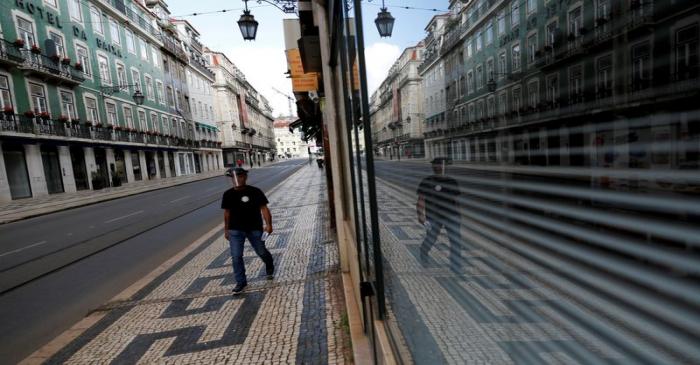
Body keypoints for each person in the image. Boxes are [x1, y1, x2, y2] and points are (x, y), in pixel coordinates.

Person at [221, 167, 274, 294]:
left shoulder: (255, 192)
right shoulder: (227, 194)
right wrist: (226, 229)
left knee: (261, 252)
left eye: (239, 176)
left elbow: (264, 208)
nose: (236, 179)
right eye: (233, 177)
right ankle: (241, 282)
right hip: (235, 230)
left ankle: (269, 263)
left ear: (245, 177)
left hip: (254, 228)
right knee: (236, 256)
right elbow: (227, 213)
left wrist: (269, 225)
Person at [416, 157, 462, 270]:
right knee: (431, 238)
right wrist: (420, 215)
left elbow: (456, 200)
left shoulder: (452, 181)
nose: (437, 167)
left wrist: (459, 216)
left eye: (439, 165)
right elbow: (421, 199)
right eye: (435, 165)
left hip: (451, 215)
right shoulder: (427, 181)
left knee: (456, 241)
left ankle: (455, 265)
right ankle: (423, 252)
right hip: (433, 216)